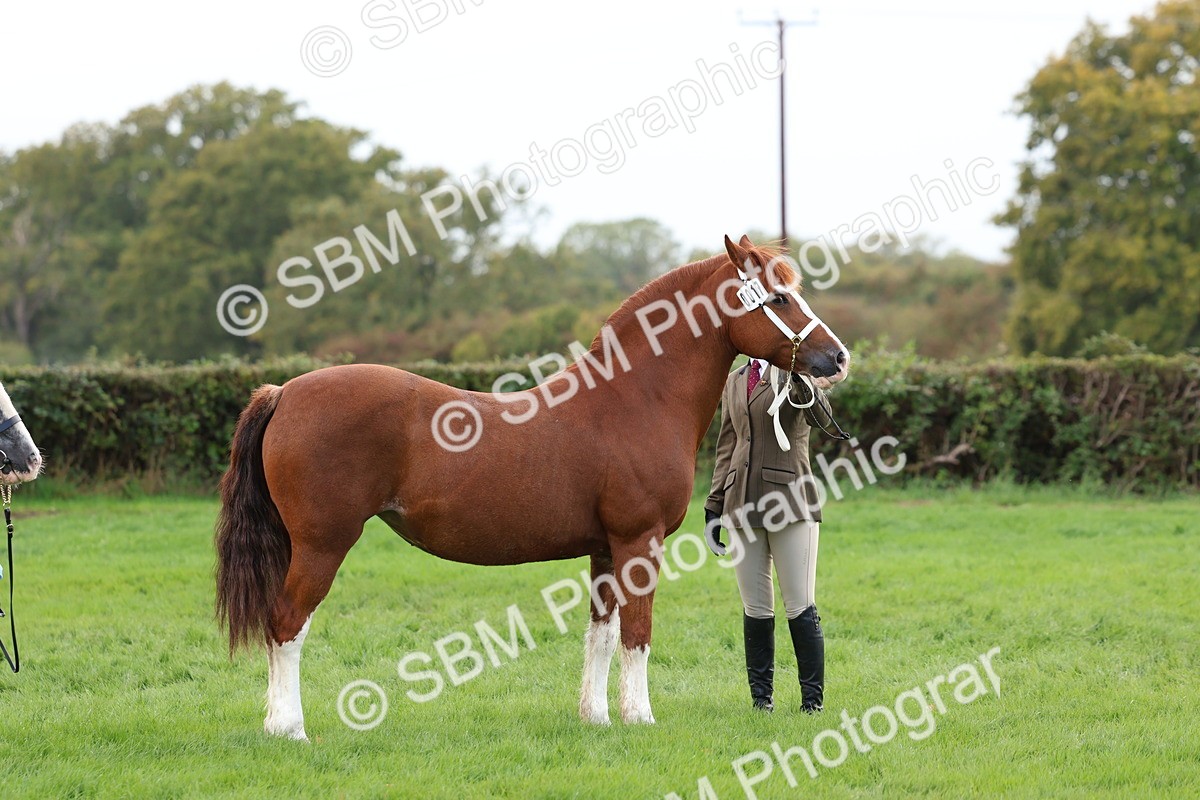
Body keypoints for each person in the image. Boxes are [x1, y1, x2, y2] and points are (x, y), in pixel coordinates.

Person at [704, 358, 837, 713]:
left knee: (800, 605)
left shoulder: (795, 374)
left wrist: (803, 378)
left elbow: (821, 419)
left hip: (790, 500)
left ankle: (812, 703)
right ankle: (761, 702)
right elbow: (726, 445)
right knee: (756, 607)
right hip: (740, 501)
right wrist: (714, 504)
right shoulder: (734, 380)